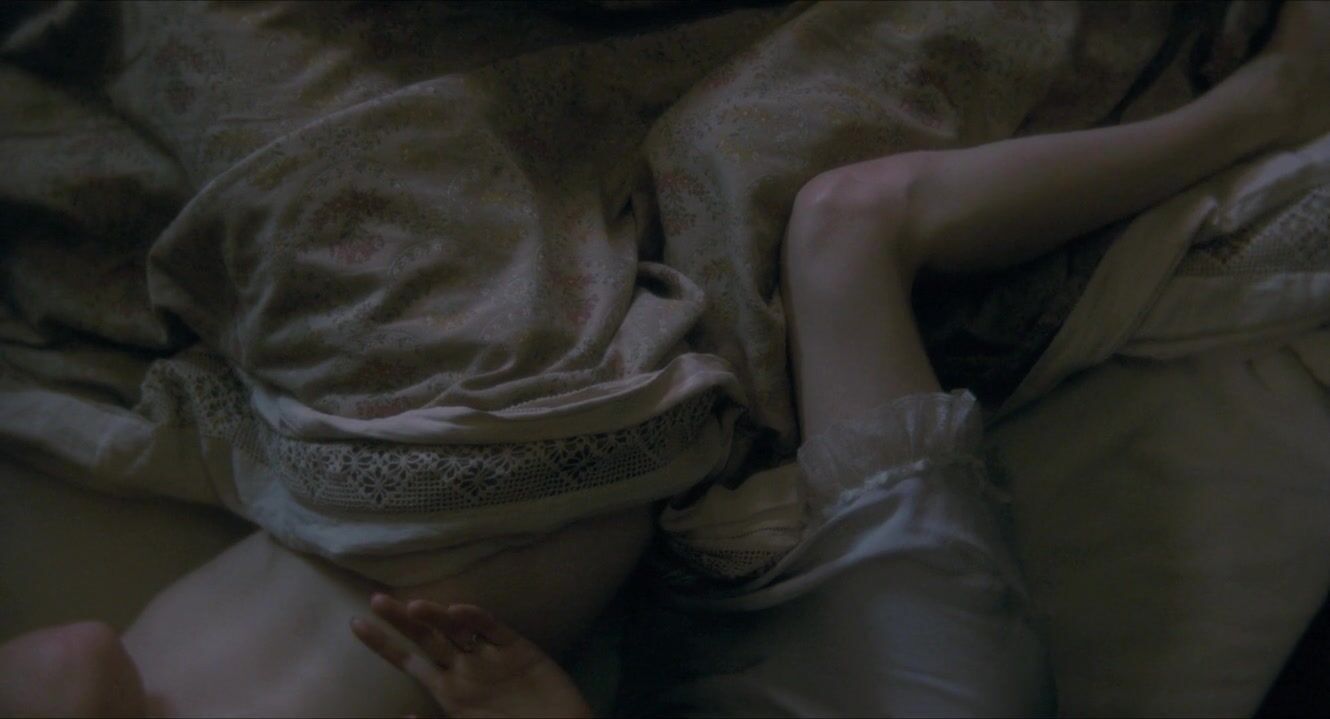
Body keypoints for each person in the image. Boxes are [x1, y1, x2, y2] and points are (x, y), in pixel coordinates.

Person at [0, 2, 1326, 716]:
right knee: (824, 205)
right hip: (506, 478)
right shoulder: (927, 661)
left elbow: (70, 664)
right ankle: (1264, 103)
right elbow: (65, 668)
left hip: (462, 486)